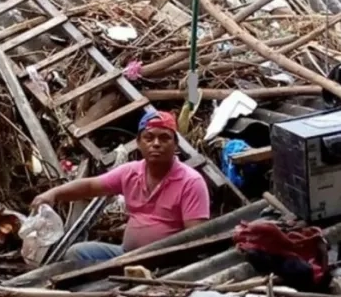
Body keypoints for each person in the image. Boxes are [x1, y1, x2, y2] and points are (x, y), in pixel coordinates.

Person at [31, 111, 210, 262]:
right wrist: (53, 194)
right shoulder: (131, 172)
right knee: (77, 253)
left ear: (176, 145)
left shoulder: (191, 182)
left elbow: (194, 238)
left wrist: (162, 258)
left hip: (165, 261)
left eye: (164, 138)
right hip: (126, 255)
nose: (156, 143)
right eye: (149, 137)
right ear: (139, 144)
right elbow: (91, 186)